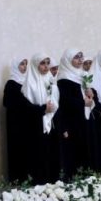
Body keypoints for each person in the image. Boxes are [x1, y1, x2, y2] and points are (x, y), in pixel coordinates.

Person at [21, 53, 59, 184]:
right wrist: (43, 109)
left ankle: (52, 185)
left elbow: (56, 101)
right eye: (43, 63)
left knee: (51, 155)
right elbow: (26, 109)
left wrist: (51, 109)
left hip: (51, 124)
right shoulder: (28, 84)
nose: (46, 67)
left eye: (48, 63)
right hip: (35, 126)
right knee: (38, 157)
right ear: (36, 65)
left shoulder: (50, 81)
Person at [56, 49, 95, 181]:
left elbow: (83, 95)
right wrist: (83, 102)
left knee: (83, 148)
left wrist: (89, 93)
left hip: (81, 118)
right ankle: (72, 180)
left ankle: (84, 177)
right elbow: (65, 101)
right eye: (76, 57)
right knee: (72, 151)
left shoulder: (80, 76)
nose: (80, 60)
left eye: (81, 57)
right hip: (70, 120)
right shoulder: (63, 79)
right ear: (68, 60)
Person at [3, 57, 39, 183]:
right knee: (18, 151)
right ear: (15, 66)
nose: (24, 66)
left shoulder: (29, 82)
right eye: (21, 64)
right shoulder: (11, 84)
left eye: (25, 64)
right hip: (17, 125)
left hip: (29, 123)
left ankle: (30, 179)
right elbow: (7, 103)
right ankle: (18, 179)